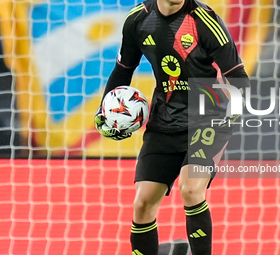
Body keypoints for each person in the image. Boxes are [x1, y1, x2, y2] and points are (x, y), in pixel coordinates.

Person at [94, 0, 250, 254]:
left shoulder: (206, 22)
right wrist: (105, 111)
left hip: (207, 118)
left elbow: (239, 80)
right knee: (143, 203)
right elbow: (123, 69)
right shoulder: (138, 21)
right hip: (164, 121)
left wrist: (228, 119)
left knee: (190, 188)